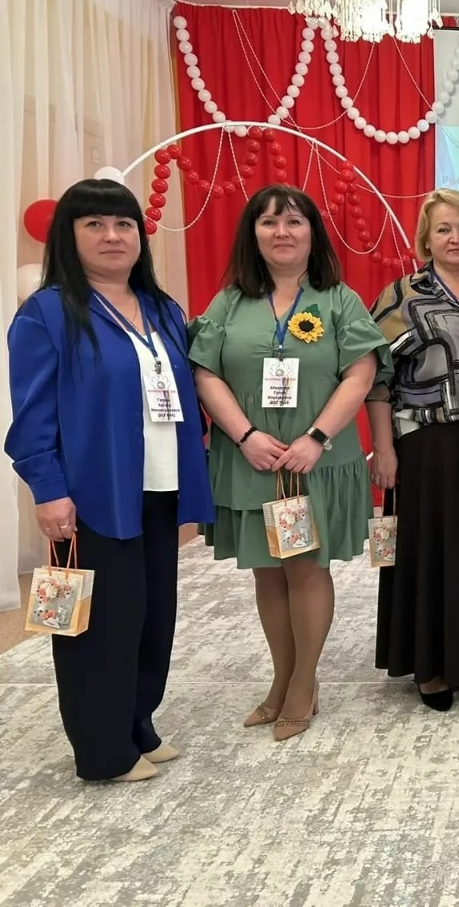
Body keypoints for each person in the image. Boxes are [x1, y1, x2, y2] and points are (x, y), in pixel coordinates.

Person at [5, 179, 215, 782]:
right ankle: (103, 750)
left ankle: (136, 723)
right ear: (68, 237)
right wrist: (48, 489)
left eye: (124, 224)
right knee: (100, 626)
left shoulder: (162, 309)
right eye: (94, 224)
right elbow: (33, 414)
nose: (112, 236)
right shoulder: (48, 312)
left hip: (161, 486)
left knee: (152, 615)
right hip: (93, 494)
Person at [189, 184, 388, 741]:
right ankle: (281, 678)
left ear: (312, 233)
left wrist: (316, 437)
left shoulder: (339, 300)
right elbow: (205, 372)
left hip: (314, 462)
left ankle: (304, 682)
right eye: (269, 222)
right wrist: (246, 435)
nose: (282, 232)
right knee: (267, 571)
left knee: (305, 568)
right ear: (252, 234)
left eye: (294, 221)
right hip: (250, 460)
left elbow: (362, 374)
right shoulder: (230, 302)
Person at [366, 188, 459, 711]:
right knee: (431, 554)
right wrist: (384, 449)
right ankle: (433, 667)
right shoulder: (404, 296)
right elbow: (376, 378)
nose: (456, 238)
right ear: (427, 238)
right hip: (427, 442)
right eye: (444, 229)